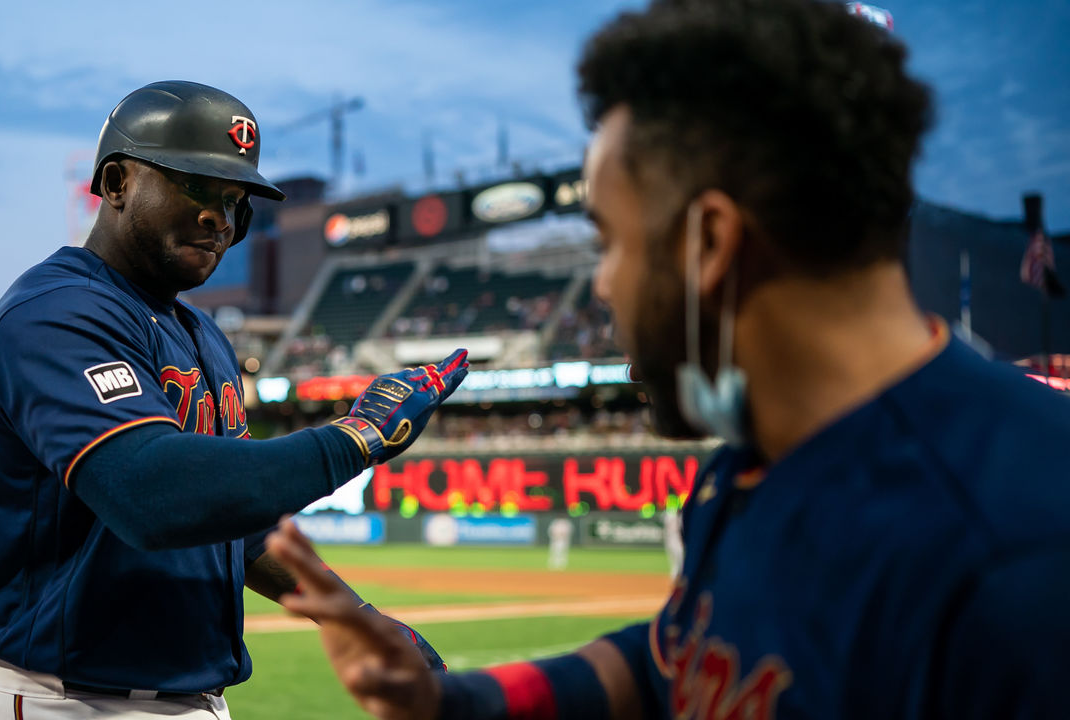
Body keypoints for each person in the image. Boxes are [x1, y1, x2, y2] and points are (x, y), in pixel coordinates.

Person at [263, 1, 1070, 717]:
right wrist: (453, 702)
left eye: (611, 243)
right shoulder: (752, 466)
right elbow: (676, 664)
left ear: (710, 243)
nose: (603, 288)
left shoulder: (1018, 560)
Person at [0, 80, 467, 719]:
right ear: (116, 184)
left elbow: (239, 526)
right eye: (196, 186)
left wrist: (354, 616)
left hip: (198, 700)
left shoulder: (204, 337)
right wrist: (354, 438)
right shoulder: (54, 314)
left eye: (235, 200)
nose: (220, 217)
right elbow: (149, 493)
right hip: (65, 702)